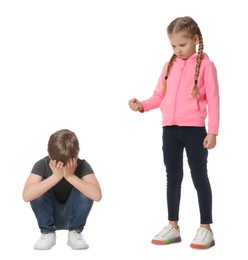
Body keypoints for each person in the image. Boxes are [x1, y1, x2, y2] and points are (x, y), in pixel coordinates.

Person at [128, 16, 219, 249]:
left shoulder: (206, 66)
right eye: (173, 45)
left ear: (195, 40)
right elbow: (159, 96)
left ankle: (205, 228)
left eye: (182, 45)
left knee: (199, 177)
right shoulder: (168, 66)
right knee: (173, 178)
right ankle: (173, 226)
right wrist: (142, 105)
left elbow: (214, 100)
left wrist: (213, 131)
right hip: (170, 130)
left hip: (195, 131)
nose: (177, 50)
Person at [22, 129, 102, 250]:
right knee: (37, 190)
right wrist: (55, 177)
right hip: (50, 216)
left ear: (76, 156)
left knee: (86, 188)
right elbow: (27, 195)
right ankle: (47, 232)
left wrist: (70, 176)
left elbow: (97, 195)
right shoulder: (42, 164)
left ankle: (75, 232)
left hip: (72, 216)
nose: (63, 167)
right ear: (49, 155)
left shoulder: (82, 165)